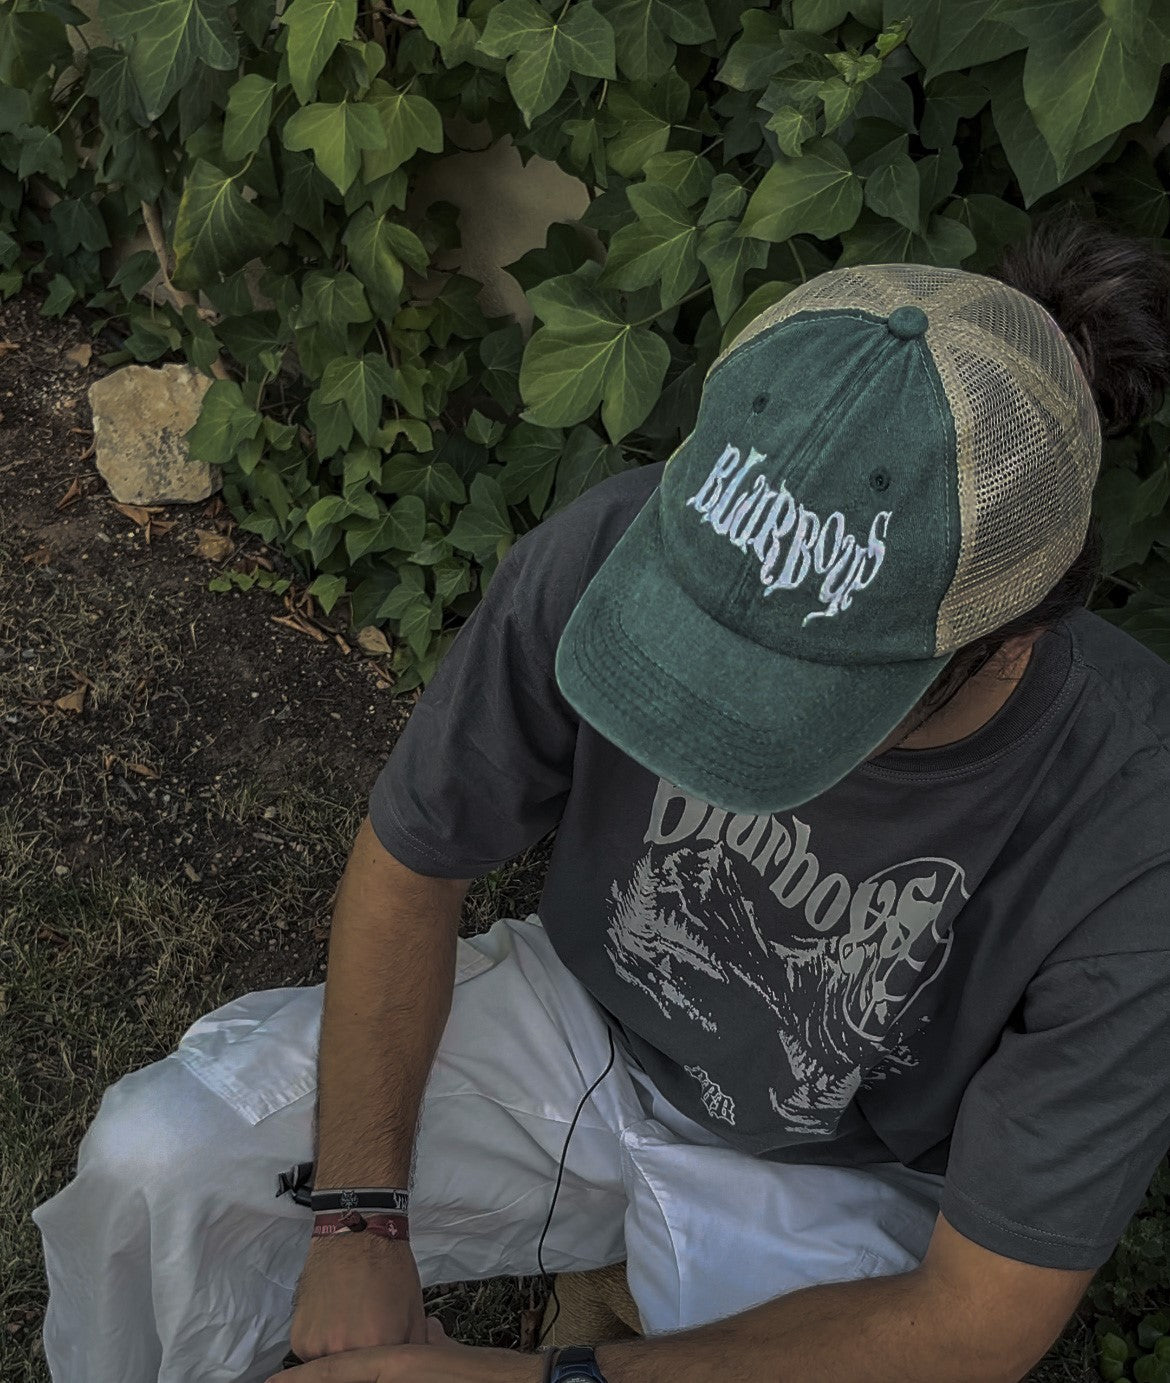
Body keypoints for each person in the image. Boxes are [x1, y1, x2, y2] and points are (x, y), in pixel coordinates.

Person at [34, 218, 1170, 1383]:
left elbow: (975, 1321)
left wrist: (539, 1381)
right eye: (710, 632)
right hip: (579, 1021)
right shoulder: (619, 540)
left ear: (1019, 630)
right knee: (156, 1164)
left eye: (801, 692)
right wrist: (359, 1218)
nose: (725, 715)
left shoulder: (1133, 817)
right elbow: (413, 859)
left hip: (842, 1177)